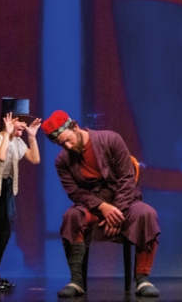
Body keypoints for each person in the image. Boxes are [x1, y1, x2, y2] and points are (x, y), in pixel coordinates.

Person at [42, 110, 161, 298]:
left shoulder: (111, 140)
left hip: (124, 202)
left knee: (146, 214)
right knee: (72, 216)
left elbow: (127, 178)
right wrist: (102, 207)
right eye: (61, 144)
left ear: (75, 126)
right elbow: (75, 192)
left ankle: (143, 279)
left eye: (68, 140)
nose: (67, 146)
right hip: (93, 207)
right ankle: (77, 281)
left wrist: (116, 213)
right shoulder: (62, 161)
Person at [0, 98, 41, 296]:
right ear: (8, 120)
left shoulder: (18, 142)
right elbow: (1, 156)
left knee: (4, 234)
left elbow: (35, 159)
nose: (23, 127)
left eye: (25, 124)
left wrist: (32, 137)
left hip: (5, 189)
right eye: (21, 122)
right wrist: (6, 133)